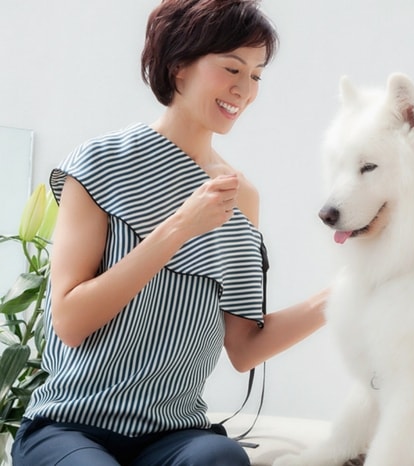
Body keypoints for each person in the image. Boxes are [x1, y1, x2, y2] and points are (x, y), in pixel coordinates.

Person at [11, 1, 327, 465]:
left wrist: (348, 293)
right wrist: (180, 226)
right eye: (232, 68)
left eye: (257, 75)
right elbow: (70, 321)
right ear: (179, 66)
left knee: (220, 459)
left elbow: (243, 347)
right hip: (70, 424)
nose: (245, 89)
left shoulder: (242, 199)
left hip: (173, 436)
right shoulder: (101, 163)